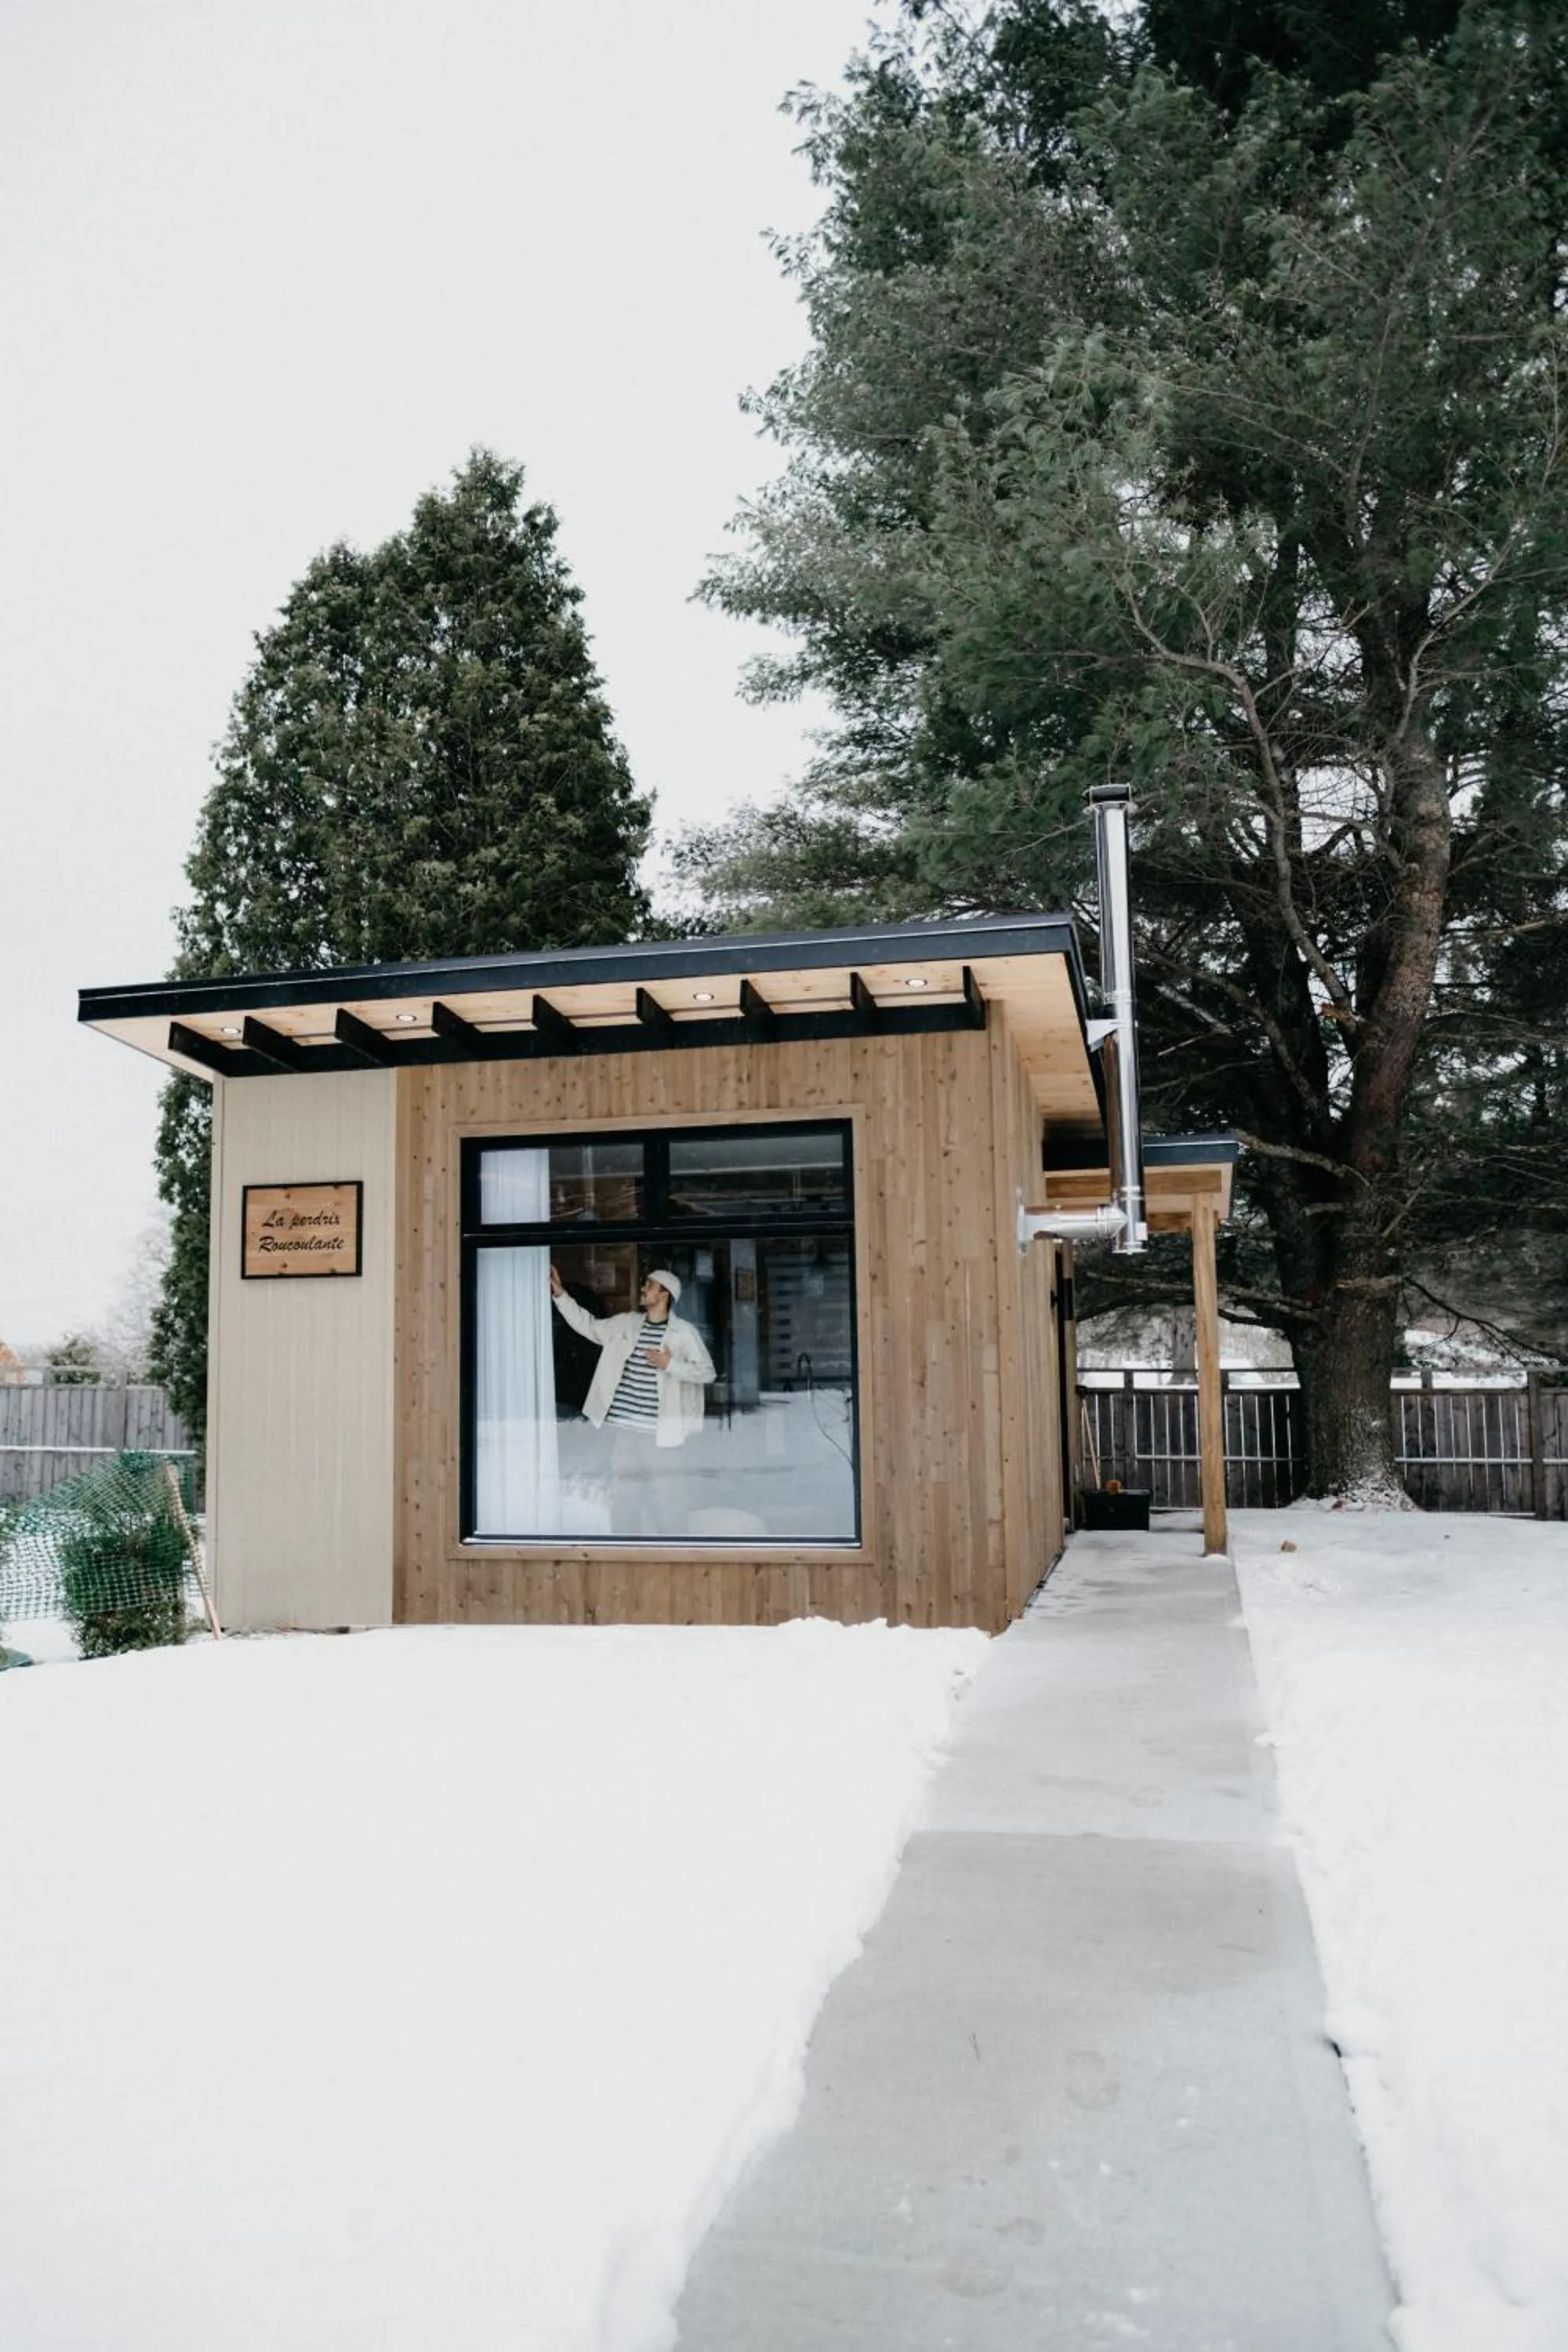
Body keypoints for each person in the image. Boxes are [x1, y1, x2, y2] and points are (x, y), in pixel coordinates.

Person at [548, 1265, 716, 1534]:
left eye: (649, 1286)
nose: (643, 1289)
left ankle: (676, 1554)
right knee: (624, 1499)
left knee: (669, 1498)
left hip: (660, 1434)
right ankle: (624, 1549)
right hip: (625, 1430)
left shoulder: (683, 1334)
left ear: (664, 1295)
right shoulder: (628, 1323)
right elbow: (589, 1326)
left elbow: (707, 1372)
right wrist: (560, 1295)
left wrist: (671, 1365)